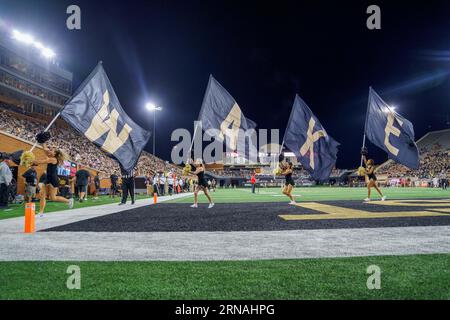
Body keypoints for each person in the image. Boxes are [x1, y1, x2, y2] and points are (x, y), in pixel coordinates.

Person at [32, 144, 74, 216]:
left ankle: (68, 200)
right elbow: (45, 149)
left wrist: (30, 160)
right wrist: (42, 142)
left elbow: (40, 162)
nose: (49, 150)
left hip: (53, 179)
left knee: (53, 198)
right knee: (42, 195)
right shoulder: (50, 157)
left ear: (54, 153)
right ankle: (41, 212)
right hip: (48, 178)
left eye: (51, 150)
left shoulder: (53, 159)